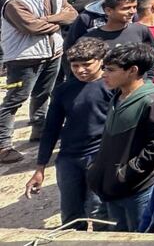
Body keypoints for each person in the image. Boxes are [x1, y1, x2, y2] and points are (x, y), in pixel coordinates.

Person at [24, 38, 112, 229]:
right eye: (75, 65)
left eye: (87, 64)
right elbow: (51, 129)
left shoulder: (112, 87)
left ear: (101, 60)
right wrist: (40, 167)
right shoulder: (63, 90)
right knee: (71, 213)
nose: (80, 70)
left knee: (98, 211)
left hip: (99, 157)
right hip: (68, 158)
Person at [86, 43, 154, 232]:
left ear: (132, 71)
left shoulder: (151, 102)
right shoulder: (118, 96)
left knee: (139, 235)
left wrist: (130, 170)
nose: (103, 74)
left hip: (137, 188)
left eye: (110, 70)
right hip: (114, 186)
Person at [0, 0, 77, 162]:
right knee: (15, 99)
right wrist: (57, 21)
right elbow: (31, 27)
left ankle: (39, 130)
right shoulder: (16, 2)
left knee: (43, 94)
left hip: (52, 54)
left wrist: (49, 18)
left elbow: (72, 15)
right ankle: (3, 145)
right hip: (23, 57)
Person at [81, 0, 154, 79]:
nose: (132, 11)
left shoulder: (140, 30)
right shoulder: (90, 39)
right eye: (126, 8)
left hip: (136, 88)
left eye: (134, 7)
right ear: (108, 11)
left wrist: (149, 77)